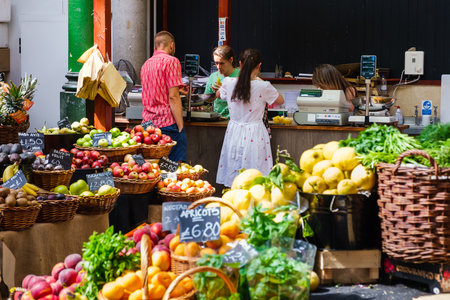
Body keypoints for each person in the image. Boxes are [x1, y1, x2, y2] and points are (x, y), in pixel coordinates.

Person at [215, 49, 284, 187]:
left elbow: (218, 95)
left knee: (234, 172)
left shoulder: (229, 82)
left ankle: (233, 202)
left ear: (239, 64)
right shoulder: (263, 86)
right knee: (256, 175)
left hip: (234, 131)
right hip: (255, 132)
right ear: (259, 66)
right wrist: (259, 80)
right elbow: (280, 100)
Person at [140, 31, 187, 162]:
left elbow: (157, 87)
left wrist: (180, 89)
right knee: (172, 168)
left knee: (154, 166)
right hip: (167, 123)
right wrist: (181, 126)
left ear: (155, 47)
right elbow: (173, 97)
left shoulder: (146, 64)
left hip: (147, 125)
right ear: (171, 46)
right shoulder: (172, 61)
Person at [204, 46, 240, 118]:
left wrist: (225, 91)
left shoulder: (241, 75)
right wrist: (213, 95)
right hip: (218, 118)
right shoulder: (213, 77)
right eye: (216, 63)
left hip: (236, 119)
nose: (218, 67)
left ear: (231, 60)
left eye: (221, 63)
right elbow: (207, 100)